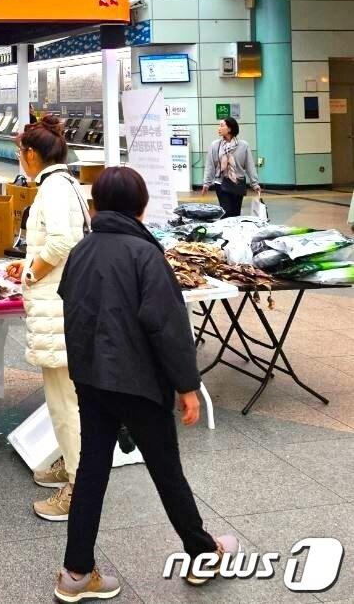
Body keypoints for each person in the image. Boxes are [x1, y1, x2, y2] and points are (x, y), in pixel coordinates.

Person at [53, 167, 239, 602]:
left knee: (92, 473)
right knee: (167, 471)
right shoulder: (145, 255)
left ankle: (76, 572)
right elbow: (167, 328)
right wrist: (187, 386)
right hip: (136, 383)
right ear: (140, 205)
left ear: (96, 204)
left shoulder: (82, 250)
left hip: (91, 380)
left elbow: (72, 307)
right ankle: (203, 553)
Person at [5, 116, 89, 522]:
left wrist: (32, 271)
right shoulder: (65, 183)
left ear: (32, 155)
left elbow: (61, 242)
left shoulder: (54, 188)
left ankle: (78, 486)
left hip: (58, 309)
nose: (20, 161)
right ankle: (74, 467)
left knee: (64, 403)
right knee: (67, 398)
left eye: (21, 154)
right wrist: (27, 266)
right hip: (64, 304)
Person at [202, 116, 260, 218]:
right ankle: (225, 232)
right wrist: (206, 183)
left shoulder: (243, 146)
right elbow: (210, 165)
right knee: (226, 212)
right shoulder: (215, 145)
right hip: (221, 183)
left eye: (221, 125)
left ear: (229, 128)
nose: (218, 128)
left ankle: (235, 233)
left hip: (238, 182)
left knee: (236, 213)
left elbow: (249, 165)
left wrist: (255, 183)